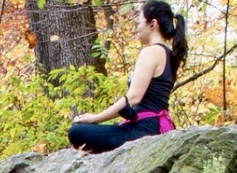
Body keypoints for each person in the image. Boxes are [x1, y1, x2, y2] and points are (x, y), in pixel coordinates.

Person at [67, 1, 188, 153]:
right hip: (150, 126)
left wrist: (95, 118)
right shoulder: (169, 55)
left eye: (139, 22)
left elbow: (133, 98)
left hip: (143, 130)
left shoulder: (151, 52)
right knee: (91, 131)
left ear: (153, 24)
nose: (137, 27)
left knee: (76, 131)